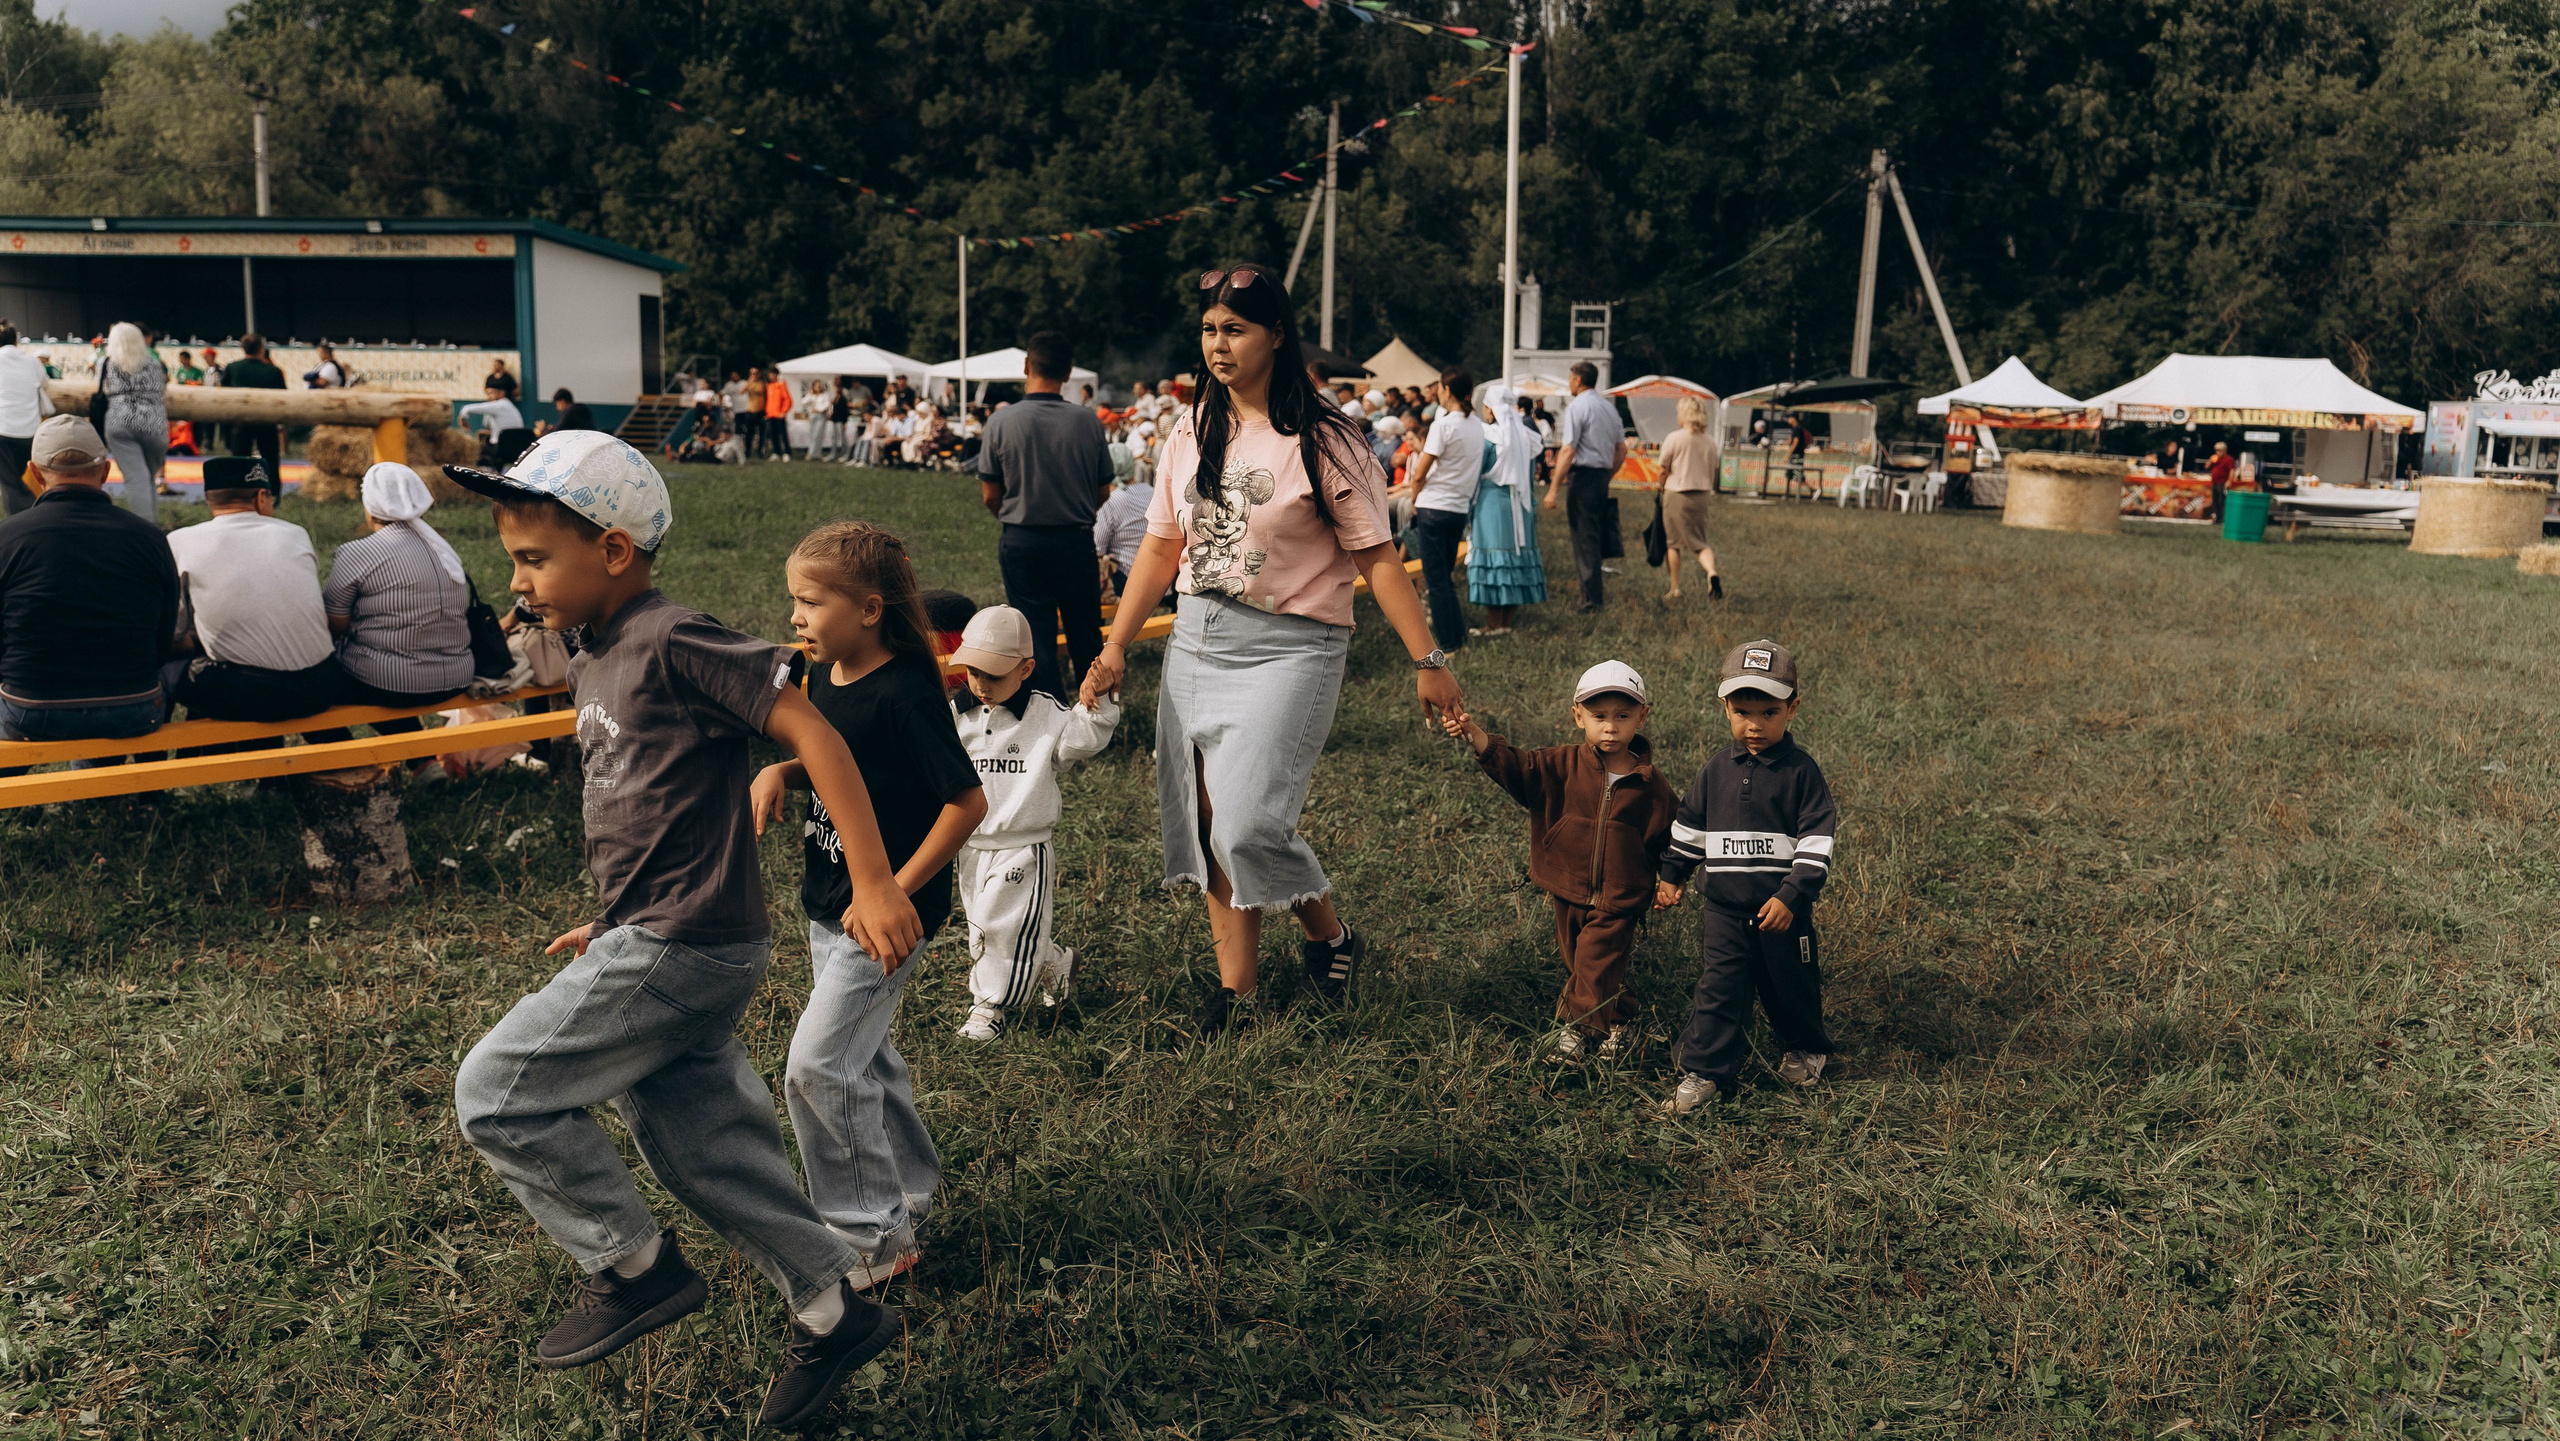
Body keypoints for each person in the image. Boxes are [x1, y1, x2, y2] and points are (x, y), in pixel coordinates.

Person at [442, 432, 917, 1429]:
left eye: (534, 558)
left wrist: (871, 882)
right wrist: (610, 923)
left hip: (686, 940)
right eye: (514, 559)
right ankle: (833, 1309)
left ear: (613, 551)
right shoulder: (595, 649)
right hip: (660, 930)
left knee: (497, 1090)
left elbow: (810, 730)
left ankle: (634, 1266)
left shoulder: (670, 636)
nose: (518, 578)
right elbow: (651, 806)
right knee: (704, 1149)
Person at [1078, 262, 1467, 1037]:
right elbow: (1159, 546)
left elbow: (1378, 557)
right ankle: (1240, 993)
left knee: (1249, 823)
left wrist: (1430, 662)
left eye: (1237, 329)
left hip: (1294, 647)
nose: (1219, 345)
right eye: (1210, 330)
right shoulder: (1190, 429)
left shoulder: (1326, 436)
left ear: (1277, 336)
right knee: (1209, 821)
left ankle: (1330, 934)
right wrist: (1115, 643)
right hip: (1195, 640)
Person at [753, 520, 984, 1293]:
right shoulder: (825, 676)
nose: (796, 616)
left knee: (818, 1066)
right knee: (865, 1054)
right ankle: (914, 1182)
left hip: (886, 918)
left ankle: (873, 1238)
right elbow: (839, 761)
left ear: (871, 609)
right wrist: (783, 771)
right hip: (830, 903)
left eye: (811, 602)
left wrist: (896, 886)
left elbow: (966, 802)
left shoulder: (909, 692)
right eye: (795, 600)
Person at [1441, 659, 1674, 1060]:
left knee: (1595, 957)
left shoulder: (1649, 783)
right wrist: (1476, 736)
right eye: (1598, 716)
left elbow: (1671, 835)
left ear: (1643, 716)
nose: (1611, 727)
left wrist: (1671, 877)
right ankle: (1620, 1022)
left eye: (1623, 716)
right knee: (1583, 962)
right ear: (1577, 716)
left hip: (1622, 892)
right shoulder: (1560, 765)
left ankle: (1573, 1031)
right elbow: (1517, 768)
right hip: (1567, 882)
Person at [1654, 639, 1839, 1115]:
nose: (1754, 725)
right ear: (1724, 707)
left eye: (1769, 712)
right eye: (1742, 712)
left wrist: (1793, 895)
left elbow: (1817, 842)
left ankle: (1805, 1046)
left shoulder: (1801, 773)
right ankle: (1706, 1069)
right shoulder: (1716, 769)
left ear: (1792, 708)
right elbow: (1690, 825)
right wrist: (1673, 874)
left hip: (1782, 910)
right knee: (1720, 985)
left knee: (1790, 983)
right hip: (1723, 908)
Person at [944, 606, 1121, 1041]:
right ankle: (1053, 962)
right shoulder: (955, 715)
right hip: (969, 846)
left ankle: (991, 1010)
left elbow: (1080, 740)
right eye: (974, 673)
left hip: (1023, 843)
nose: (982, 685)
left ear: (1026, 669)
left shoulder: (1045, 714)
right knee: (984, 927)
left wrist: (1097, 702)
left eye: (995, 676)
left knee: (1002, 925)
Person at [0, 416, 178, 743]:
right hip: (133, 705)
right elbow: (163, 634)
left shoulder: (7, 537)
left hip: (31, 709)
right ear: (106, 472)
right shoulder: (150, 537)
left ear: (35, 473)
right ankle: (122, 786)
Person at [976, 330, 1113, 701]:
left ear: (1026, 366)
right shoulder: (1088, 423)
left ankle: (1049, 714)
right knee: (1085, 630)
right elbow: (1104, 490)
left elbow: (990, 493)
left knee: (1035, 635)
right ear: (1068, 374)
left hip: (1022, 537)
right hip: (1075, 537)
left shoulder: (1001, 422)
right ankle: (1096, 713)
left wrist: (1015, 512)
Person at [161, 456, 341, 722]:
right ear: (260, 497)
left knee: (165, 668)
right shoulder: (295, 533)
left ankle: (162, 759)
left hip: (249, 694)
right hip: (321, 684)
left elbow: (173, 635)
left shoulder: (180, 541)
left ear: (210, 499)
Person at [318, 462, 476, 730]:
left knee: (317, 684)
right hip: (457, 677)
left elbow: (335, 623)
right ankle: (422, 763)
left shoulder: (358, 552)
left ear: (369, 507)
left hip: (392, 683)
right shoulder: (442, 549)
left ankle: (350, 767)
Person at [1401, 367, 1483, 654]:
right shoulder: (1476, 425)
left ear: (1446, 391)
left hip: (1434, 506)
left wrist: (1414, 498)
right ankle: (1458, 637)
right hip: (1458, 508)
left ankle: (1450, 643)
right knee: (1444, 577)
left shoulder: (1444, 425)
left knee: (1436, 580)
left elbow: (1420, 471)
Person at [1544, 361, 1625, 612]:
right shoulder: (1608, 408)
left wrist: (1554, 487)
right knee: (1594, 534)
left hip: (1583, 477)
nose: (1569, 383)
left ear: (1578, 380)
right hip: (1600, 476)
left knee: (1584, 537)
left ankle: (1591, 600)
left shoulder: (1577, 407)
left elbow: (1568, 449)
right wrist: (1607, 475)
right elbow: (1621, 448)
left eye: (1570, 379)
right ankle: (1592, 592)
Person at [1467, 386, 1547, 637]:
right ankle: (1506, 621)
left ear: (1490, 408)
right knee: (1514, 558)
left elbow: (1475, 472)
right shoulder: (1525, 436)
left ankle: (1493, 623)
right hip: (1521, 502)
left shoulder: (1489, 436)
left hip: (1492, 502)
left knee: (1495, 558)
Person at [98, 322, 169, 523]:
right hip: (153, 423)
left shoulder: (107, 363)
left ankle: (144, 527)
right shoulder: (154, 363)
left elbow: (100, 389)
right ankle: (152, 526)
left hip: (120, 420)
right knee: (148, 478)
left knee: (136, 478)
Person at [1659, 393, 1723, 602]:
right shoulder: (1710, 442)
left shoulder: (1674, 438)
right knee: (1700, 542)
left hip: (1677, 494)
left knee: (1674, 543)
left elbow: (1663, 468)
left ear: (1684, 415)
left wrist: (1660, 486)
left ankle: (1675, 588)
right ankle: (1711, 572)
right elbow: (1715, 469)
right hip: (1702, 495)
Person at [0, 325, 51, 515]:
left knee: (10, 484)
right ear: (16, 341)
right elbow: (44, 383)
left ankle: (25, 518)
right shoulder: (32, 361)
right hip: (29, 431)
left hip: (3, 428)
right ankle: (37, 510)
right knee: (23, 477)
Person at [221, 334, 288, 471]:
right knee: (270, 459)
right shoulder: (273, 371)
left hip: (241, 418)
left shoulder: (233, 368)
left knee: (240, 458)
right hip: (266, 419)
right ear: (261, 349)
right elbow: (283, 395)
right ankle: (272, 490)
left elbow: (222, 391)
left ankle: (239, 489)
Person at [1092, 464, 1154, 596]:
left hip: (1128, 583)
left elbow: (1097, 548)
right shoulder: (1152, 491)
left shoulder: (1111, 500)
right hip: (1160, 582)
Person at [460, 383, 525, 446]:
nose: (488, 396)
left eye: (491, 393)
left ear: (501, 393)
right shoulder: (509, 406)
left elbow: (467, 409)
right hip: (516, 446)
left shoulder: (500, 405)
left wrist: (462, 418)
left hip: (500, 447)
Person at [764, 367, 794, 461]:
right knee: (773, 435)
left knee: (783, 434)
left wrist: (783, 411)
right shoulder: (769, 386)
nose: (770, 376)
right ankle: (776, 452)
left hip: (779, 414)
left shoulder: (781, 385)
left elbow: (788, 400)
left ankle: (786, 452)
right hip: (771, 414)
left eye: (772, 374)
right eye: (769, 374)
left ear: (777, 375)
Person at [2207, 441, 2236, 520]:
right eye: (2216, 450)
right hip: (2214, 482)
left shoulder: (2229, 459)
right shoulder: (2215, 459)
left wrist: (2229, 481)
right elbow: (2206, 467)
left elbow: (2232, 470)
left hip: (2222, 482)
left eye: (2219, 450)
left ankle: (2223, 518)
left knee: (2222, 501)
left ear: (2224, 450)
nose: (2217, 452)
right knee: (2215, 501)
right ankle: (2217, 518)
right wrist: (2210, 461)